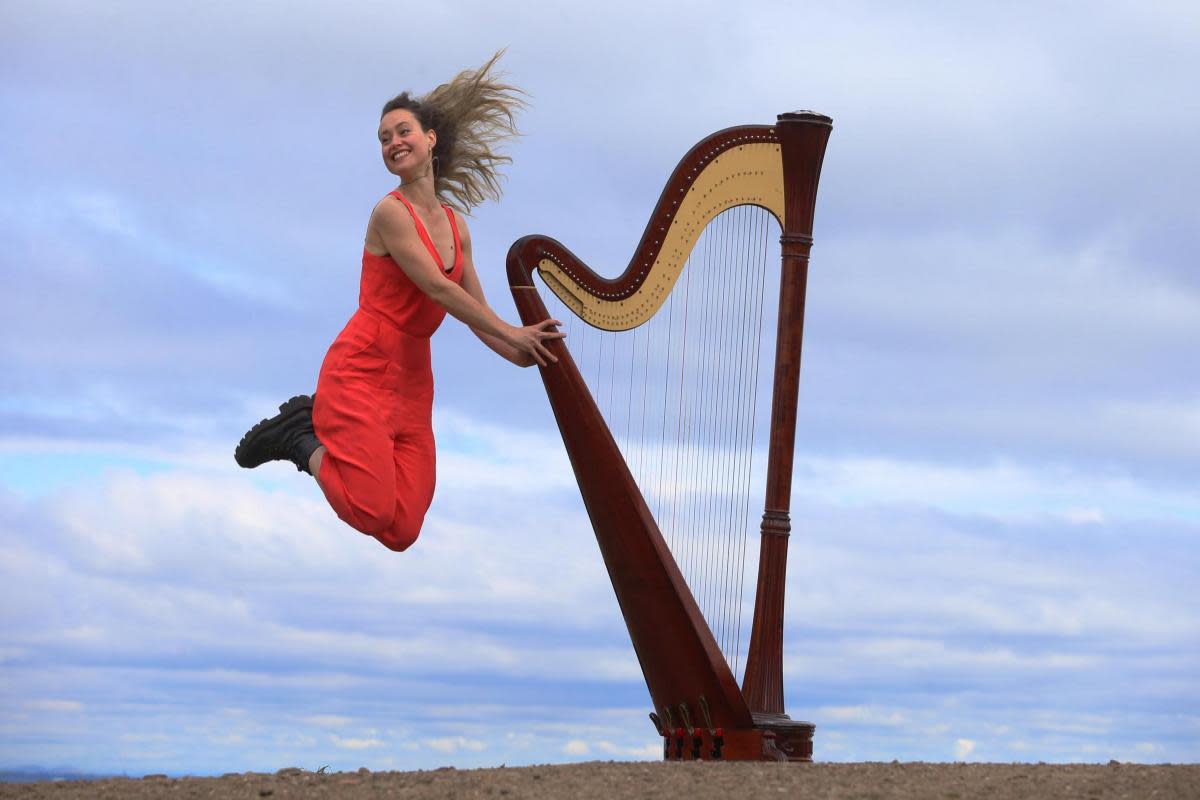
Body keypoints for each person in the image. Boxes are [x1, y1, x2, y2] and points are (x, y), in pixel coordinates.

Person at [234, 53, 563, 552]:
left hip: (412, 379)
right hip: (363, 365)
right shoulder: (390, 213)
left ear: (431, 138)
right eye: (384, 139)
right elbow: (438, 289)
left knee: (402, 528)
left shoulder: (456, 227)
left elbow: (478, 314)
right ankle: (300, 437)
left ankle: (306, 434)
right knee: (371, 508)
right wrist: (511, 333)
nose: (393, 143)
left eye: (402, 131)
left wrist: (526, 354)